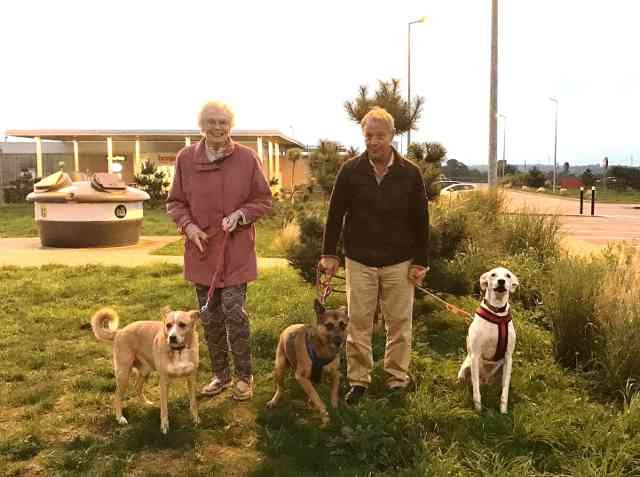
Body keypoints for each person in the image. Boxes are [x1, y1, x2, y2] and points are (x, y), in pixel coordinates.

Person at [319, 106, 429, 404]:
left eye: (380, 136)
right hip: (360, 260)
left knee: (399, 324)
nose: (374, 142)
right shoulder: (350, 171)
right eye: (369, 136)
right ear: (363, 136)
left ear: (392, 136)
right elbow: (335, 214)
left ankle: (396, 379)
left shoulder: (410, 173)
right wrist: (329, 253)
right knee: (358, 323)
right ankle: (358, 381)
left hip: (399, 261)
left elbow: (421, 219)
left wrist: (421, 261)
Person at [167, 100, 272, 401]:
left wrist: (241, 215)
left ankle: (244, 376)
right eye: (211, 121)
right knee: (210, 317)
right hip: (202, 251)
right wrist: (188, 227)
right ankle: (220, 375)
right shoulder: (185, 159)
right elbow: (175, 202)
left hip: (236, 250)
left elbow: (263, 199)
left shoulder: (247, 158)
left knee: (233, 312)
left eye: (223, 122)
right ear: (202, 125)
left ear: (231, 125)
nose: (217, 127)